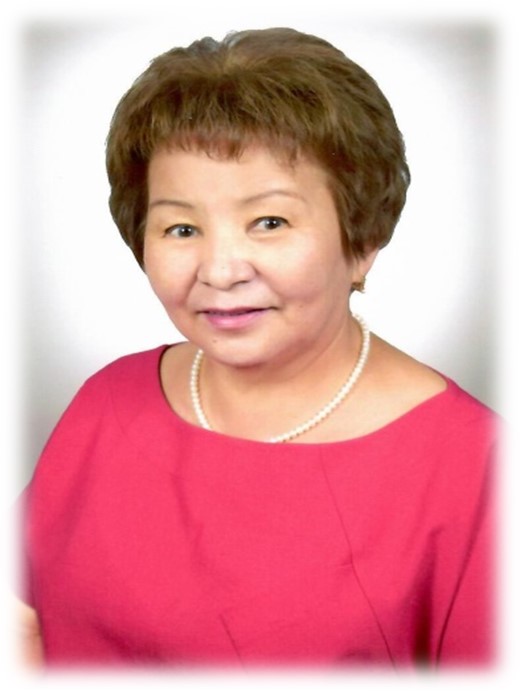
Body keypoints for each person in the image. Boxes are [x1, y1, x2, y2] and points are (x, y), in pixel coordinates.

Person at [17, 27, 497, 668]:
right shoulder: (108, 401)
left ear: (361, 238)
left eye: (269, 222)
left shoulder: (476, 467)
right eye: (181, 227)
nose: (219, 271)